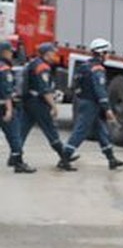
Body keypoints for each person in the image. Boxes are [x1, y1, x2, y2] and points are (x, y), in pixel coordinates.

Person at [59, 37, 123, 171]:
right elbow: (100, 90)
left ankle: (111, 159)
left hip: (84, 101)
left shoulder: (84, 66)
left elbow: (75, 85)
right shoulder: (98, 69)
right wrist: (107, 109)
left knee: (102, 131)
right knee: (80, 131)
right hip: (91, 104)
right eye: (107, 52)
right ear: (101, 53)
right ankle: (64, 158)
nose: (108, 55)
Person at [21, 42, 71, 165]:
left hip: (28, 101)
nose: (54, 55)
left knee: (22, 130)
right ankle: (64, 157)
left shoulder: (34, 63)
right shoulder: (43, 67)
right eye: (52, 53)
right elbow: (45, 90)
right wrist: (54, 106)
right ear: (47, 54)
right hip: (38, 103)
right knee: (50, 129)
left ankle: (16, 156)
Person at [1, 40, 35, 173]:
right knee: (14, 135)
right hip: (4, 107)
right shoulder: (5, 69)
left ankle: (15, 160)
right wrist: (9, 109)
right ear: (4, 52)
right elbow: (6, 91)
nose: (12, 55)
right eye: (10, 52)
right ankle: (18, 163)